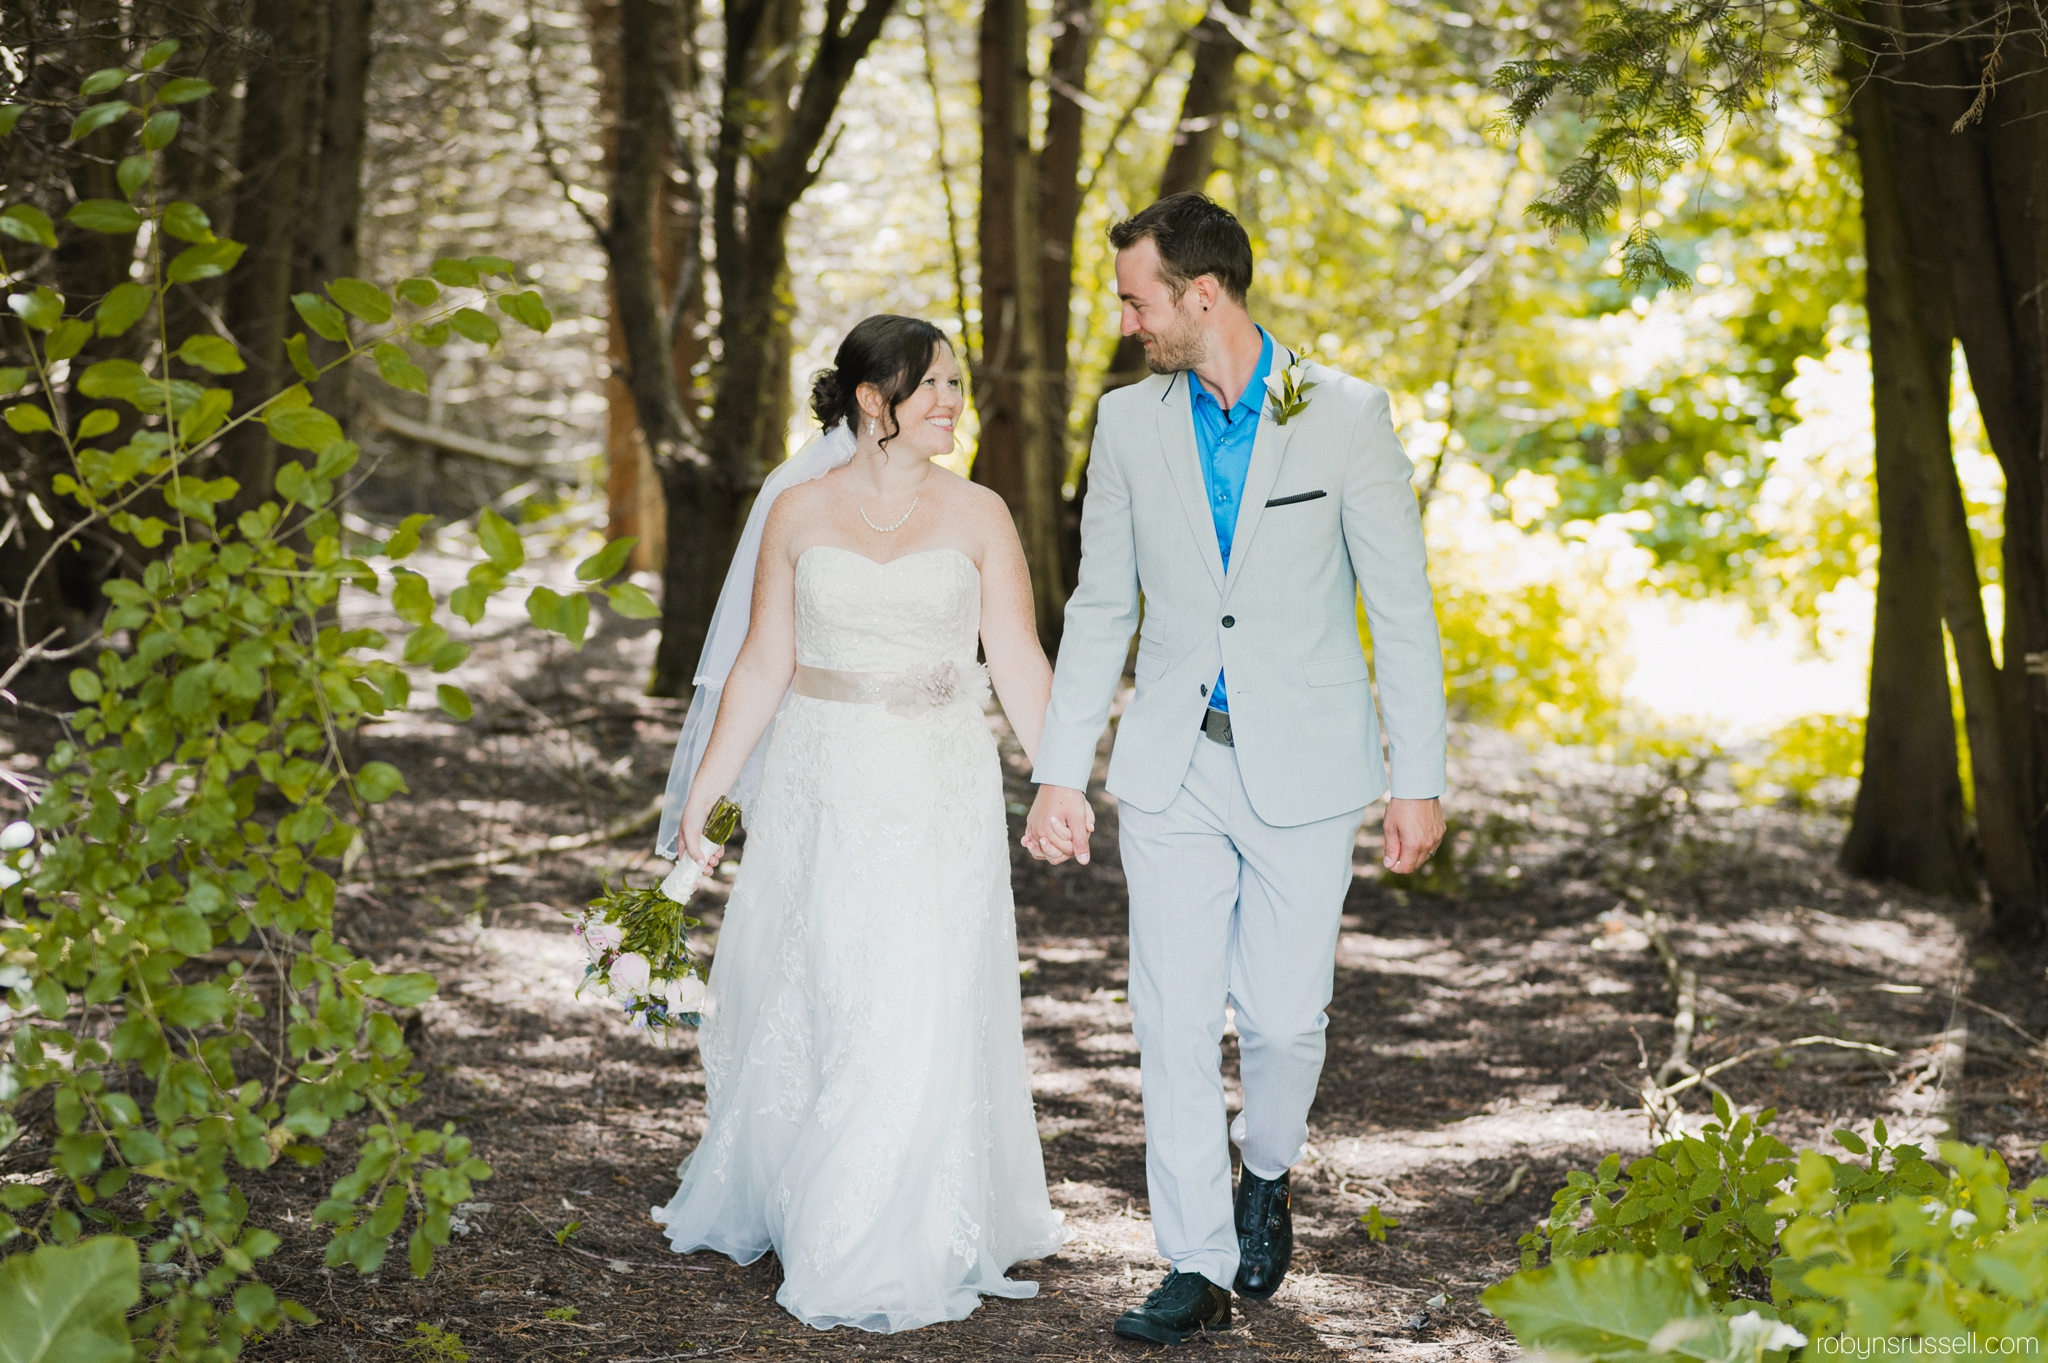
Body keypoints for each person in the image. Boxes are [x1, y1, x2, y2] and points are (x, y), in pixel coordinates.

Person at [1023, 193, 1448, 1346]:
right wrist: (1060, 770)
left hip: (1307, 771)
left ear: (1199, 294)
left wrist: (1420, 777)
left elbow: (1398, 609)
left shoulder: (1347, 415)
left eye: (1133, 296)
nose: (1124, 320)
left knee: (1281, 1019)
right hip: (1169, 766)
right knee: (1167, 1020)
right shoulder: (1125, 425)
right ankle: (1195, 1262)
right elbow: (1101, 603)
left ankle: (1267, 1169)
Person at [650, 315, 1067, 1332]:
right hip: (819, 777)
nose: (950, 403)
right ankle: (812, 1192)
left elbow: (1014, 654)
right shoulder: (795, 513)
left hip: (939, 778)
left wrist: (1059, 779)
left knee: (919, 984)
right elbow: (760, 663)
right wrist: (705, 791)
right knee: (829, 979)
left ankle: (886, 1231)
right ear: (870, 399)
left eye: (956, 386)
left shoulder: (979, 513)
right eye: (930, 386)